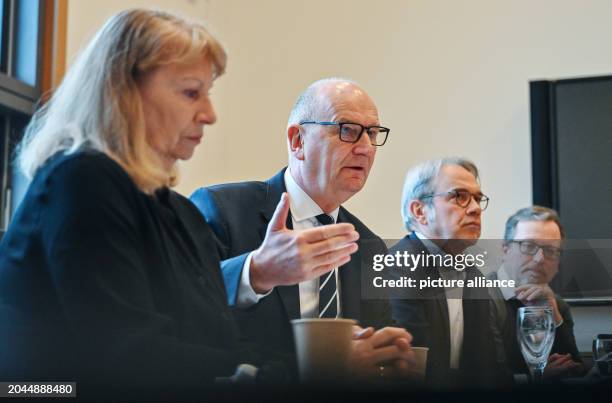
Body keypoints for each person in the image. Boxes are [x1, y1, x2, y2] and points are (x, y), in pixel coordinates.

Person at [0, 9, 269, 391]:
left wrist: (321, 358)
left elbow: (214, 345)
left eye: (207, 95)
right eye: (191, 93)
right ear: (123, 91)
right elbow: (127, 354)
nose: (209, 114)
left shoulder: (182, 213)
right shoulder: (83, 181)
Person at [190, 78, 415, 380]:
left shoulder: (369, 245)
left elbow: (368, 357)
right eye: (348, 130)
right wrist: (254, 272)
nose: (365, 148)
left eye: (373, 134)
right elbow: (183, 305)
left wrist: (388, 355)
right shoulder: (223, 208)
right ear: (297, 141)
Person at [389, 157, 502, 387]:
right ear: (419, 211)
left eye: (478, 199)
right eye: (459, 196)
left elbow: (490, 364)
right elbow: (412, 368)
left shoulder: (474, 275)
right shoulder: (398, 267)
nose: (475, 209)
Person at [489, 206, 584, 380]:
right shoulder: (479, 298)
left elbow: (576, 371)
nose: (540, 258)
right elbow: (483, 378)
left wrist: (554, 313)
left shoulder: (557, 304)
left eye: (550, 250)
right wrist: (537, 378)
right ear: (505, 249)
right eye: (529, 245)